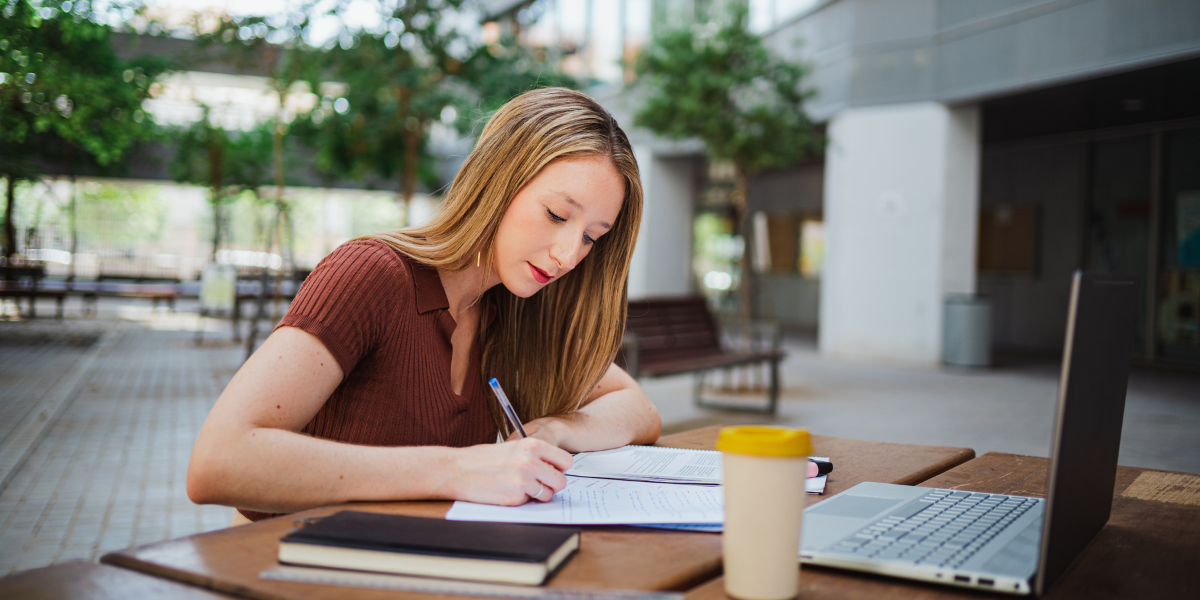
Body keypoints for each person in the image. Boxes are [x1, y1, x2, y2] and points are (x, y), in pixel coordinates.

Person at [186, 88, 661, 524]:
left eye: (590, 238)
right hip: (287, 569)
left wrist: (555, 432)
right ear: (496, 179)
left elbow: (637, 410)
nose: (567, 255)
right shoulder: (372, 274)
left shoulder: (511, 310)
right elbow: (218, 461)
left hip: (407, 569)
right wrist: (454, 469)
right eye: (556, 214)